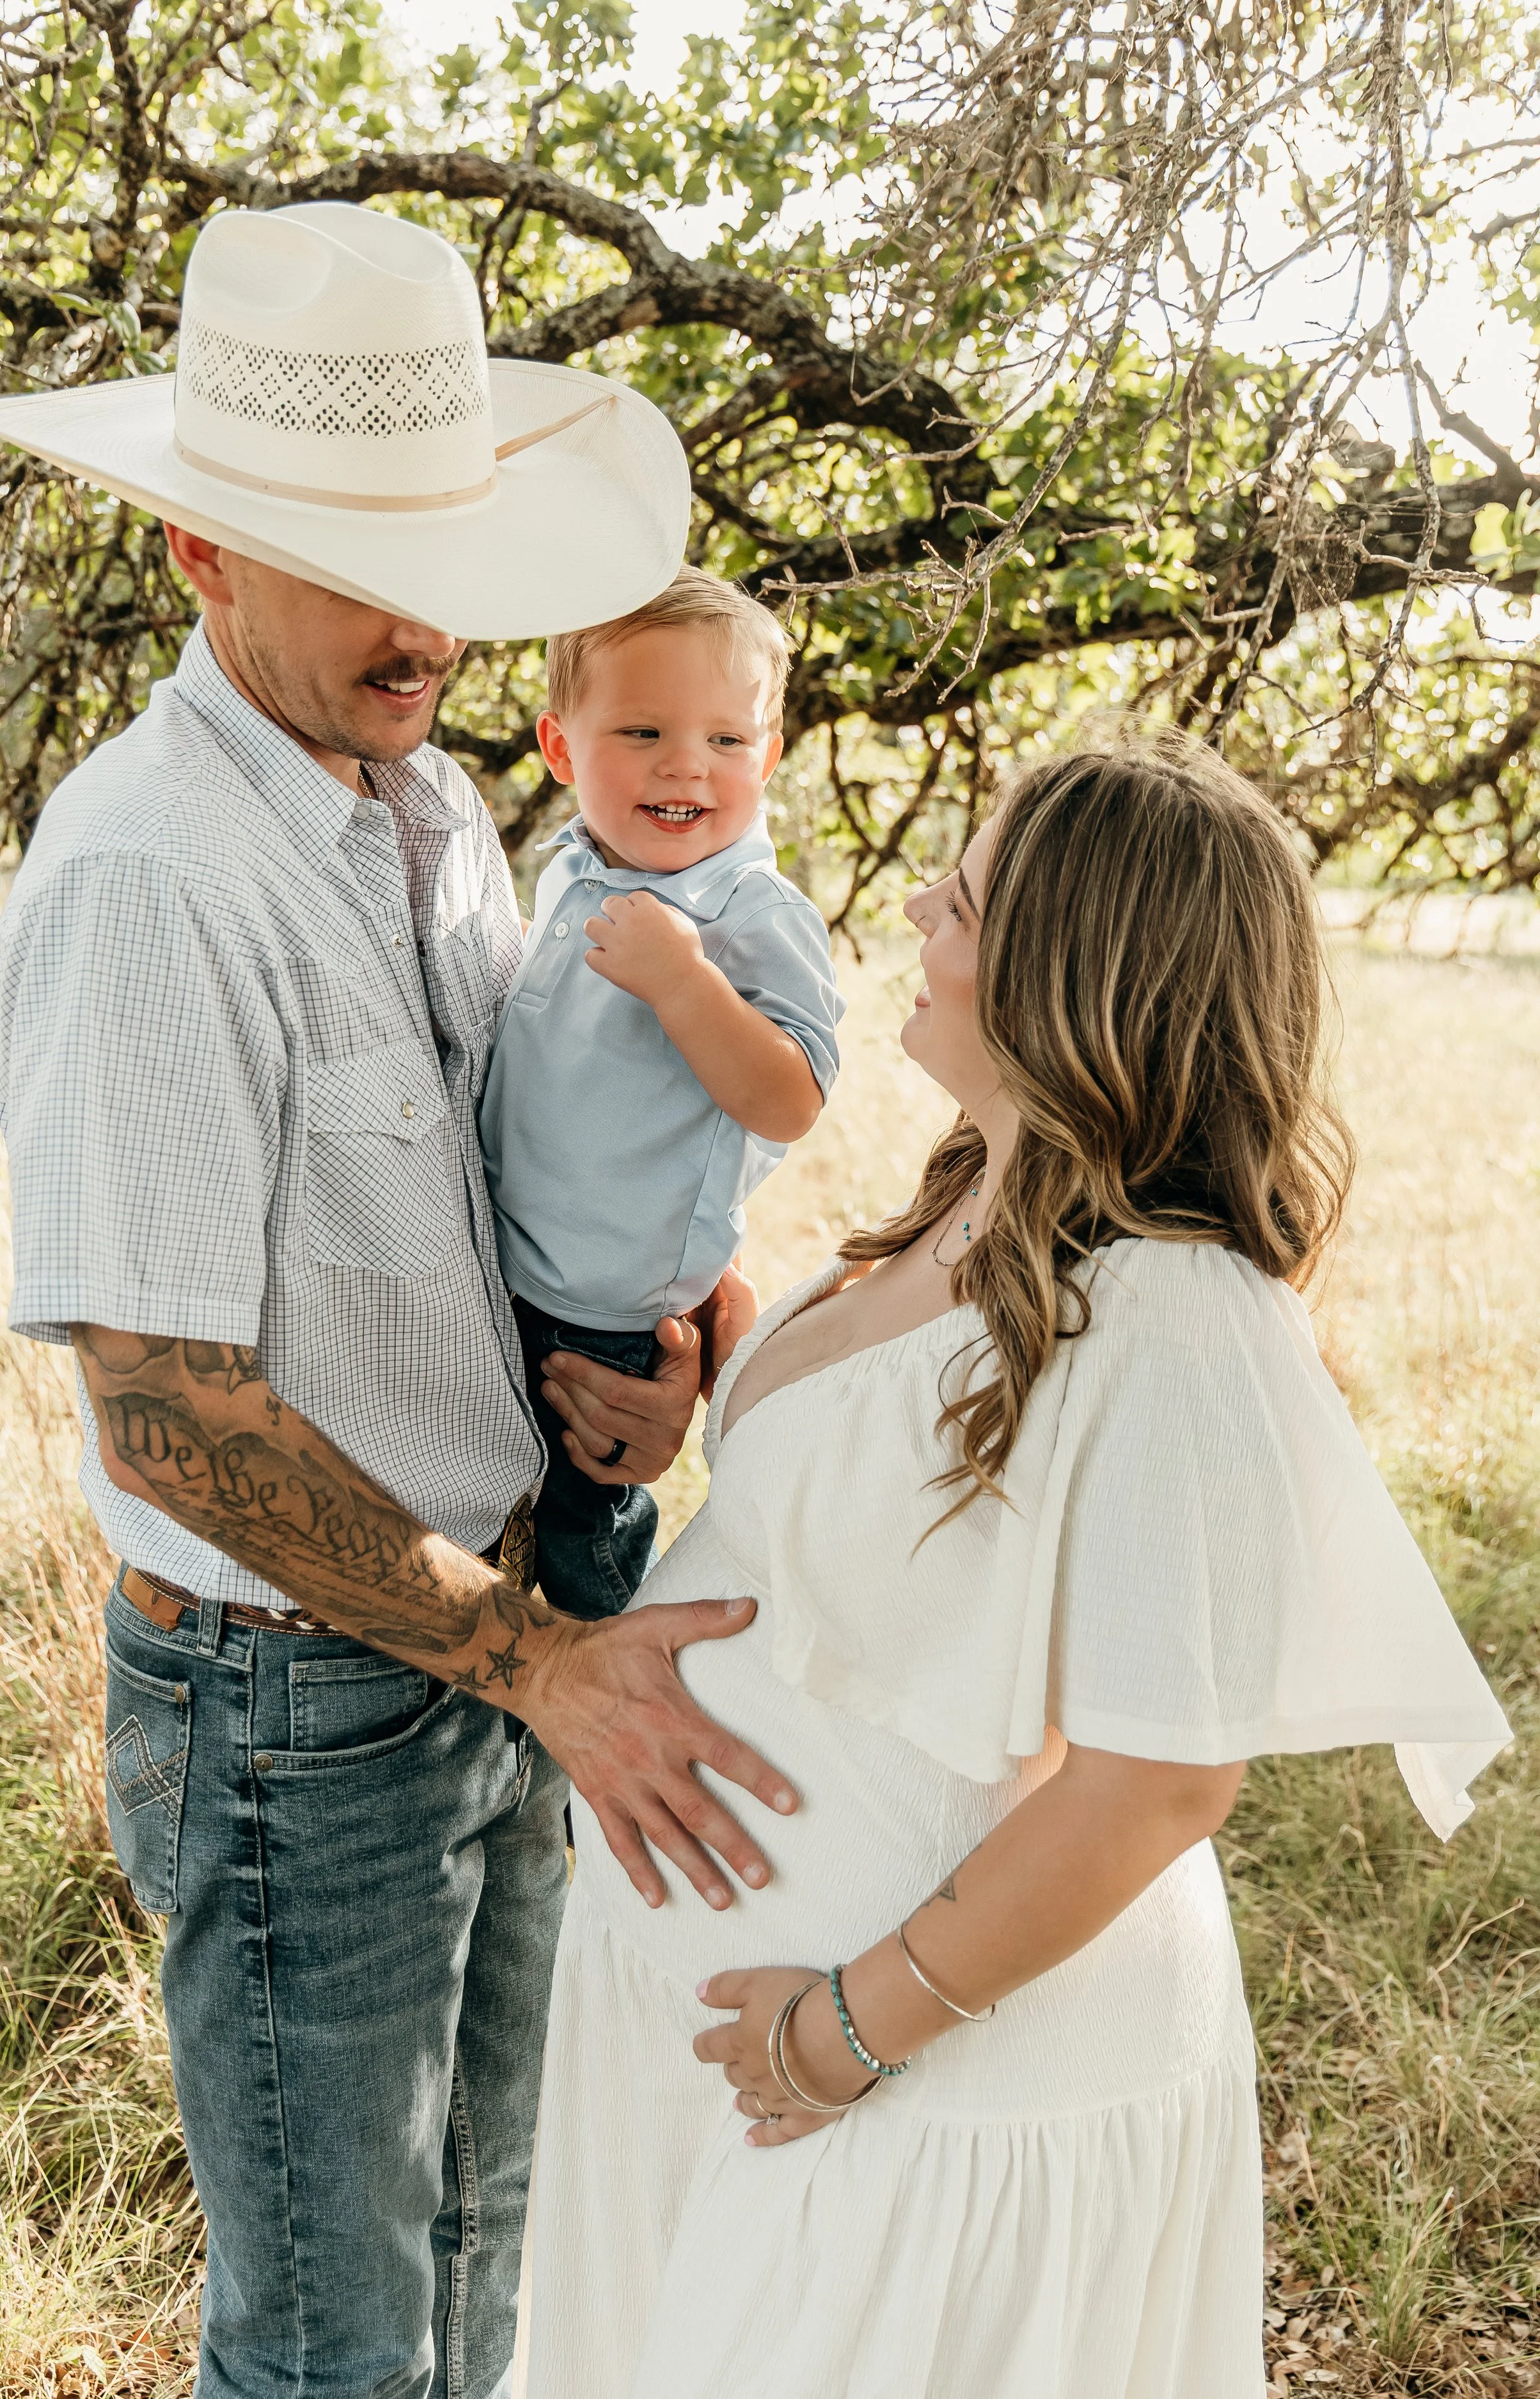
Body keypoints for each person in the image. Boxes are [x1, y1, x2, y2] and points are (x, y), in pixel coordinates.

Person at [0, 202, 798, 2399]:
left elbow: (543, 1177)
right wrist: (542, 1664)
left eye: (447, 546)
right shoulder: (152, 875)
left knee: (478, 2274)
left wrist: (677, 1349)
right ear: (199, 559)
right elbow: (169, 1417)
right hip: (296, 1714)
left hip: (501, 1634)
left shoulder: (437, 809)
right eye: (351, 556)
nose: (424, 617)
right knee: (339, 2342)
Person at [517, 734, 1512, 2399]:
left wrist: (849, 2028)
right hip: (714, 2032)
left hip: (930, 2098)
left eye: (963, 894)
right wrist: (716, 1394)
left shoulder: (1177, 1306)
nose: (915, 901)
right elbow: (899, 1499)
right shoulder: (977, 1191)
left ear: (1071, 969)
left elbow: (1158, 1779)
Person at [480, 566, 844, 1618]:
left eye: (728, 740)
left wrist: (686, 981)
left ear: (768, 757)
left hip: (606, 1306)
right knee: (496, 1522)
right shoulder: (573, 870)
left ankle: (616, 1684)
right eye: (642, 733)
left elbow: (790, 1097)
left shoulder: (747, 912)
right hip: (504, 1266)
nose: (688, 763)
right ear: (561, 749)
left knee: (586, 1549)